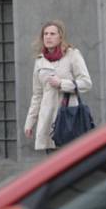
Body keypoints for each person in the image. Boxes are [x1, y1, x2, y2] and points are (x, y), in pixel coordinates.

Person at [24, 20, 92, 152]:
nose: (48, 37)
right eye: (45, 34)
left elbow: (86, 83)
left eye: (52, 34)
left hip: (69, 118)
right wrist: (30, 122)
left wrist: (62, 83)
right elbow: (37, 94)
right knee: (54, 162)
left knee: (71, 161)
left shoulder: (72, 55)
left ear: (61, 37)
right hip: (48, 119)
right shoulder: (40, 61)